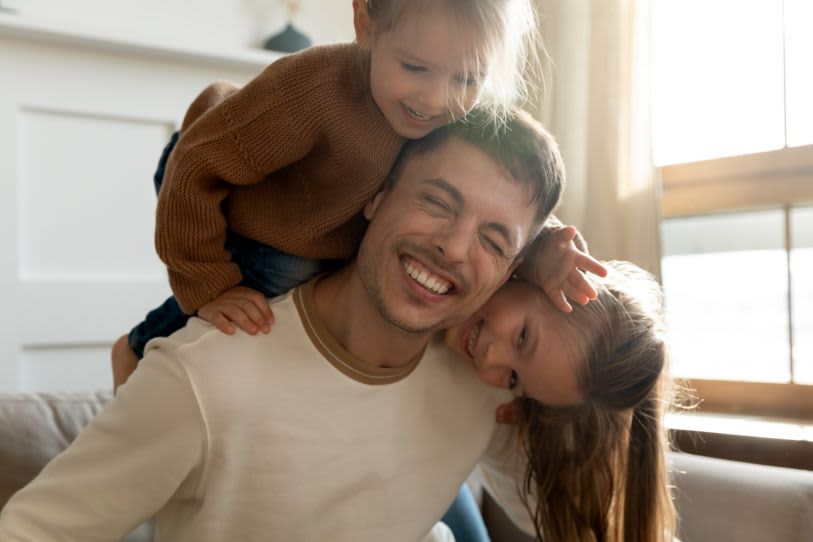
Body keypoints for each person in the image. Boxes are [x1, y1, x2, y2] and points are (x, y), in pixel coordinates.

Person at [0, 107, 568, 541]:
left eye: (494, 240)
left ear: (513, 269)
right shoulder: (205, 378)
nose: (454, 247)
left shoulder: (485, 380)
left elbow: (564, 517)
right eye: (437, 202)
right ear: (376, 197)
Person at [111, 0, 542, 390]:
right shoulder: (310, 92)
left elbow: (498, 187)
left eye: (467, 78)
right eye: (414, 67)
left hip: (316, 215)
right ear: (364, 22)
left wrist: (548, 245)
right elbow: (194, 166)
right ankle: (137, 347)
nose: (435, 100)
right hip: (223, 183)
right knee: (271, 293)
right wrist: (209, 286)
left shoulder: (450, 108)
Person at [441, 261, 677, 542]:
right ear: (541, 275)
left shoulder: (504, 411)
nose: (490, 357)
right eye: (522, 337)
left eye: (513, 379)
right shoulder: (536, 255)